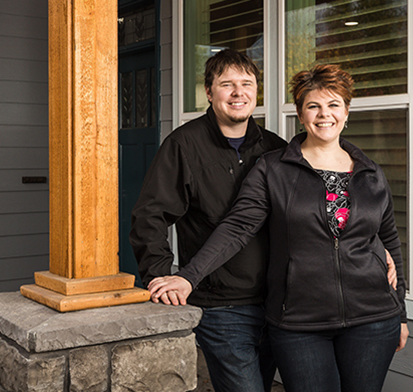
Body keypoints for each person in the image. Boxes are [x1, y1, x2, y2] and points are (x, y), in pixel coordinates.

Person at [148, 64, 409, 392]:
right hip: (299, 322)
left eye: (333, 105)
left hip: (373, 318)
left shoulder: (371, 173)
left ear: (346, 113)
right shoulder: (274, 169)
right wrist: (188, 276)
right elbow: (239, 226)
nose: (324, 114)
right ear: (300, 115)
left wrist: (399, 312)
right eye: (313, 106)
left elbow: (388, 240)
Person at [129, 49, 287, 392]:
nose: (238, 92)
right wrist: (159, 276)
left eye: (247, 84)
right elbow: (149, 215)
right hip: (221, 306)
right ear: (209, 92)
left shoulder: (275, 148)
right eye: (227, 84)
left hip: (276, 302)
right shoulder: (184, 146)